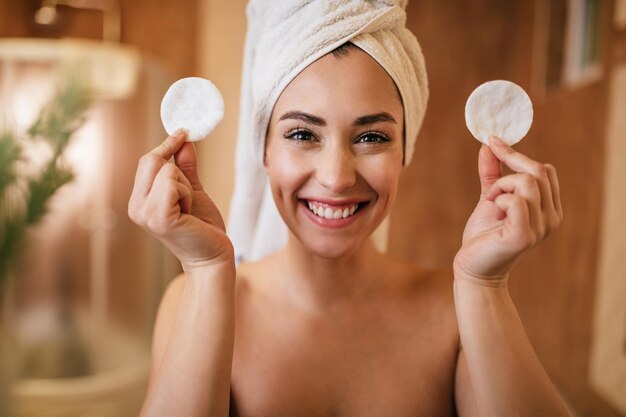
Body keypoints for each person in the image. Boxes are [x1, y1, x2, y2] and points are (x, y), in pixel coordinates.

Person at [128, 2, 570, 417]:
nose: (337, 177)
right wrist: (206, 270)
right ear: (262, 149)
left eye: (372, 137)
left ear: (404, 150)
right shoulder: (194, 300)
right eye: (302, 134)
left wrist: (485, 285)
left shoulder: (457, 311)